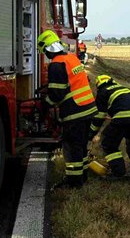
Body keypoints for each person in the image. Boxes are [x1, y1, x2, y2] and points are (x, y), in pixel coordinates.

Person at [38, 30, 98, 189]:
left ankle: (73, 182)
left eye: (44, 51)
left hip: (75, 112)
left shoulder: (56, 64)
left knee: (72, 149)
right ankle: (83, 176)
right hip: (88, 109)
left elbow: (57, 94)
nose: (45, 55)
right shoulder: (71, 58)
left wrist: (45, 103)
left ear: (47, 49)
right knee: (81, 146)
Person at [89, 75, 130, 183]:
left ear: (98, 85)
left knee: (108, 144)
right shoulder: (125, 89)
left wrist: (91, 133)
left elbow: (99, 116)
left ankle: (118, 172)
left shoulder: (103, 91)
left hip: (122, 118)